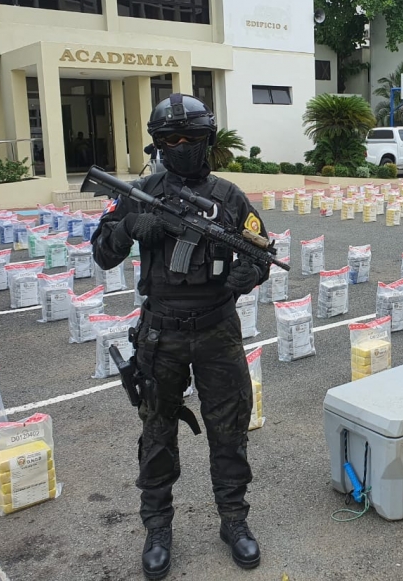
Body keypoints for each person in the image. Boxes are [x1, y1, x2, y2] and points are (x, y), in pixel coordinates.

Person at [91, 93, 267, 579]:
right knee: (157, 434)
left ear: (208, 139)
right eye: (170, 139)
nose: (182, 146)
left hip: (217, 332)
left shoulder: (229, 197)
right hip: (160, 335)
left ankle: (234, 520)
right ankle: (157, 528)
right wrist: (129, 226)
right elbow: (102, 253)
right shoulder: (140, 192)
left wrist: (249, 274)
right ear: (158, 144)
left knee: (229, 431)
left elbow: (260, 250)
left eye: (191, 137)